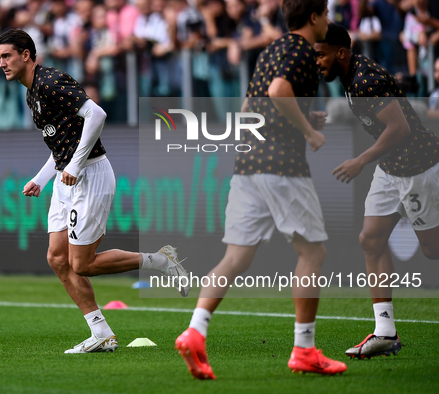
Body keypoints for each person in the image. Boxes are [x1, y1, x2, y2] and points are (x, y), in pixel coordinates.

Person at [174, 0, 347, 379]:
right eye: (327, 15)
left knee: (236, 258)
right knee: (312, 252)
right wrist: (308, 130)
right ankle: (304, 349)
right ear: (315, 17)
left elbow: (254, 101)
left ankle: (195, 330)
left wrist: (302, 116)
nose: (329, 21)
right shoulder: (301, 50)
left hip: (248, 163)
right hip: (281, 166)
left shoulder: (272, 47)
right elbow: (279, 89)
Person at [0, 28, 189, 354]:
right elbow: (61, 144)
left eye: (6, 55)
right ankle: (101, 333)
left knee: (81, 264)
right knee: (57, 258)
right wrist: (45, 177)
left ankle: (160, 261)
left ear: (26, 55)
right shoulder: (31, 92)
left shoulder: (51, 82)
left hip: (91, 175)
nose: (1, 63)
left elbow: (96, 114)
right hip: (65, 178)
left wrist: (74, 165)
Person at [314, 23, 439, 359]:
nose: (317, 62)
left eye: (321, 55)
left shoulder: (366, 79)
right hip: (390, 169)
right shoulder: (349, 77)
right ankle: (385, 331)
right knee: (370, 239)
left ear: (340, 52)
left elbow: (399, 128)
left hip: (418, 168)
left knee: (432, 250)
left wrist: (361, 160)